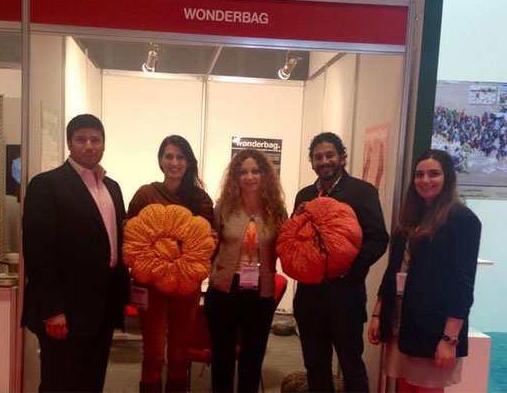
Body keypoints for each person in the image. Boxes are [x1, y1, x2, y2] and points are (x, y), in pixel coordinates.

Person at [21, 114, 130, 392]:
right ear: (69, 143)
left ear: (104, 143)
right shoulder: (46, 185)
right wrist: (53, 311)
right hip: (65, 310)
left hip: (103, 306)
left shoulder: (112, 188)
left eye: (95, 139)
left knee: (92, 382)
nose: (89, 145)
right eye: (81, 139)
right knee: (60, 383)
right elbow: (38, 253)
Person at [368, 149, 481, 392]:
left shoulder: (461, 219)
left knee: (426, 388)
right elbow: (392, 270)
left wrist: (449, 339)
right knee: (404, 385)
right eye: (419, 174)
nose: (425, 180)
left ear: (447, 177)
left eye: (434, 174)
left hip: (434, 326)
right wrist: (378, 314)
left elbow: (462, 284)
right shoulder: (411, 216)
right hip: (402, 320)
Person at [292, 132, 389, 392]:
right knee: (315, 366)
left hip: (346, 295)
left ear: (342, 158)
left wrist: (350, 267)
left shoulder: (362, 191)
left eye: (330, 155)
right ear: (312, 162)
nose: (324, 161)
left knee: (351, 366)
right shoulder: (305, 194)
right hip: (309, 296)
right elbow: (296, 238)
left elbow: (379, 238)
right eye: (318, 157)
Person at [127, 135, 214, 392]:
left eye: (180, 157)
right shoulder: (145, 194)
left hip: (185, 286)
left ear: (188, 162)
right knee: (153, 353)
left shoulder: (200, 199)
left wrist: (210, 239)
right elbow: (131, 235)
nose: (174, 162)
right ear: (160, 160)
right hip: (150, 285)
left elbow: (205, 244)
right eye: (169, 156)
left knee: (179, 353)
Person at [205, 149, 287, 392]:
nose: (249, 177)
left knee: (252, 358)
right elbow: (211, 244)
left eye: (255, 171)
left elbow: (284, 246)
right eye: (243, 172)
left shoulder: (276, 211)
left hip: (260, 293)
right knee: (222, 357)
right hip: (224, 290)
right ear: (235, 177)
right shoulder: (224, 208)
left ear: (264, 175)